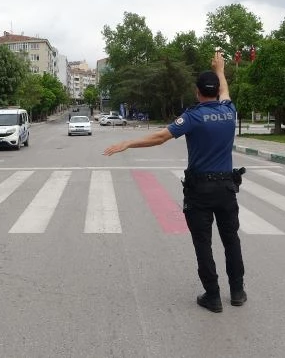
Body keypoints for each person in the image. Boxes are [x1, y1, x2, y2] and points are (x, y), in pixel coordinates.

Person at [102, 50, 246, 313]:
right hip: (227, 188)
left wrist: (128, 143)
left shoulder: (193, 117)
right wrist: (220, 70)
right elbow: (225, 91)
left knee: (203, 243)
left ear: (197, 92)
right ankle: (237, 292)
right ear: (216, 92)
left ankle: (213, 296)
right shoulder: (229, 111)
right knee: (231, 240)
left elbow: (160, 137)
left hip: (200, 190)